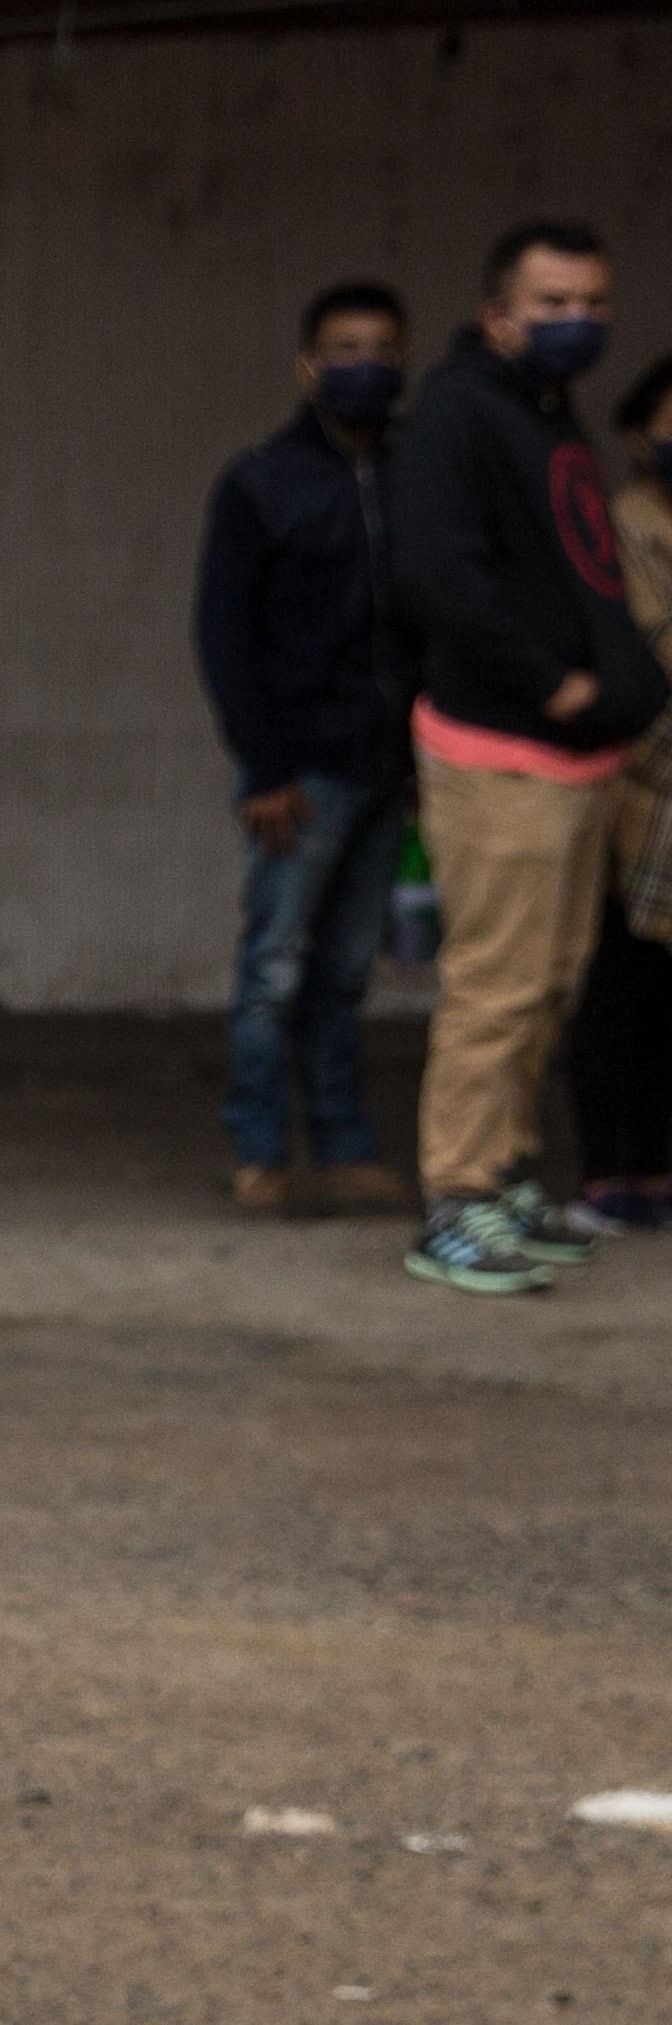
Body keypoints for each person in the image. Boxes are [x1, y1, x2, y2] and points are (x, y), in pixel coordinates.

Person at [387, 219, 667, 1294]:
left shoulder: (544, 415)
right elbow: (439, 576)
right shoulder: (459, 414)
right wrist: (555, 685)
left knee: (548, 986)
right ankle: (453, 1203)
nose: (577, 323)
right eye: (551, 305)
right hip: (503, 753)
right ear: (497, 314)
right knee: (496, 991)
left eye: (593, 304)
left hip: (574, 765)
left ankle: (502, 1177)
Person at [191, 278, 418, 1213]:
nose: (363, 366)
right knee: (273, 972)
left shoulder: (417, 475)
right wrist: (266, 767)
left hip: (390, 765)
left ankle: (344, 1144)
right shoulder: (261, 482)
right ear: (307, 366)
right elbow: (224, 635)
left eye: (380, 350)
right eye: (344, 349)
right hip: (301, 769)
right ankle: (258, 1152)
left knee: (344, 971)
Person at [561, 351, 672, 1231]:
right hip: (635, 796)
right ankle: (615, 1173)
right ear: (639, 435)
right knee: (619, 993)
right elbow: (643, 655)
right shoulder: (622, 525)